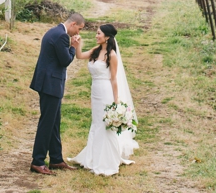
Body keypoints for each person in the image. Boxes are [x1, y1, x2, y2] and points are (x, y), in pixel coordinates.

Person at [68, 24, 139, 176]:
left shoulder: (111, 56)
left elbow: (114, 79)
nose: (96, 35)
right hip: (95, 92)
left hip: (106, 92)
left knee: (104, 125)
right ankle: (93, 157)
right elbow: (79, 56)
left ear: (107, 37)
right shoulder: (96, 51)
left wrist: (116, 101)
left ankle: (107, 160)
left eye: (98, 33)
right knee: (96, 123)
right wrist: (77, 44)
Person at [29, 12, 85, 175]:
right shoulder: (61, 36)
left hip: (47, 83)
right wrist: (73, 47)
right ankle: (37, 161)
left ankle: (56, 159)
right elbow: (65, 60)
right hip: (51, 84)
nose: (78, 33)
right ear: (73, 24)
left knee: (54, 123)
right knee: (47, 123)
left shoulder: (53, 31)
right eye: (79, 29)